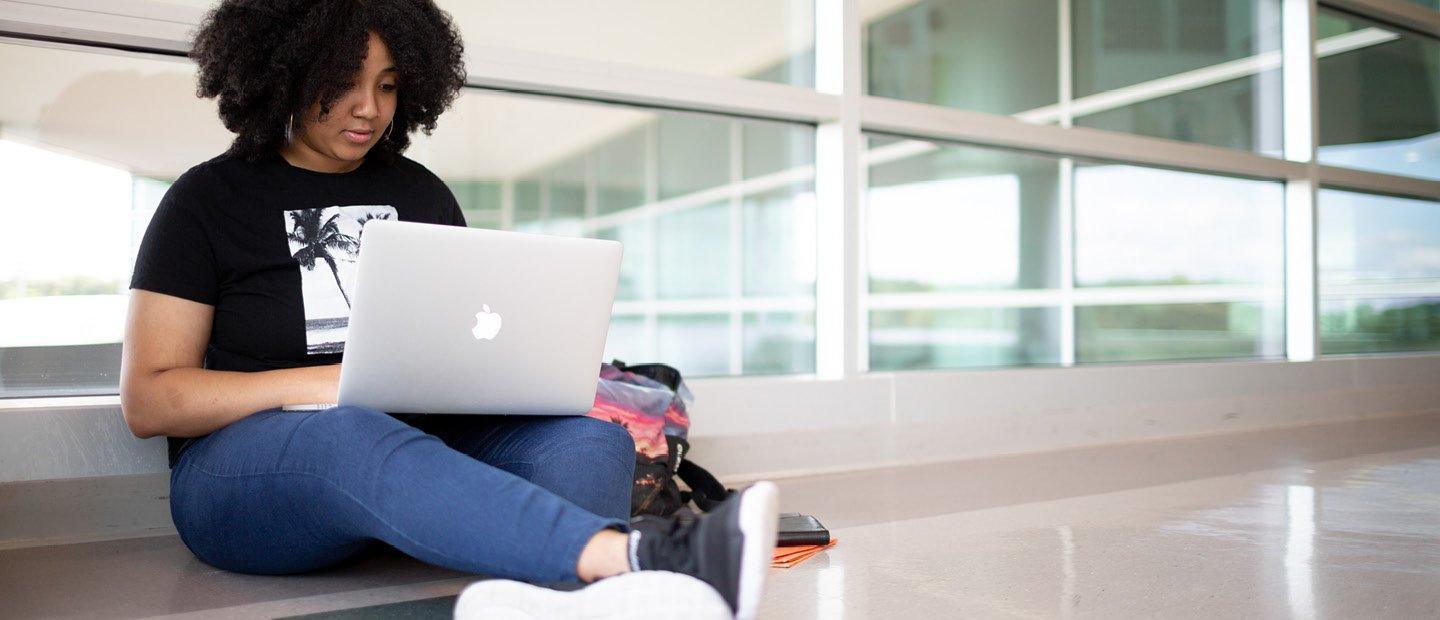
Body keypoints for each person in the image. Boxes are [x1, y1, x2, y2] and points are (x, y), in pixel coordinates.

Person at [117, 1, 778, 618]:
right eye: (344, 81)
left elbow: (465, 337)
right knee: (350, 431)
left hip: (410, 453)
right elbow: (149, 400)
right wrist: (328, 385)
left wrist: (515, 375)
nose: (368, 108)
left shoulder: (420, 193)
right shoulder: (205, 201)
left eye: (387, 84)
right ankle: (635, 558)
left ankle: (546, 597)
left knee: (591, 439)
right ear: (283, 74)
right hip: (242, 482)